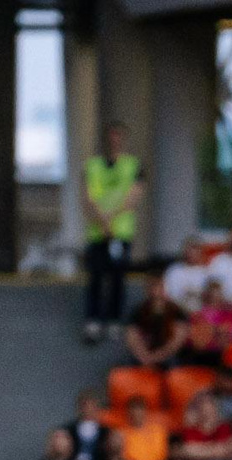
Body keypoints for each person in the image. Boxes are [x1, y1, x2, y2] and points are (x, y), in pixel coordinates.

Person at [81, 123, 143, 343]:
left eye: (119, 136)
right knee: (95, 276)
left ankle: (115, 319)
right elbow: (88, 196)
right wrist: (102, 219)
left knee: (117, 276)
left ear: (124, 139)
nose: (114, 140)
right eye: (111, 136)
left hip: (121, 232)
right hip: (98, 232)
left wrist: (112, 217)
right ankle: (93, 320)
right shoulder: (93, 165)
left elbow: (134, 196)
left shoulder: (133, 165)